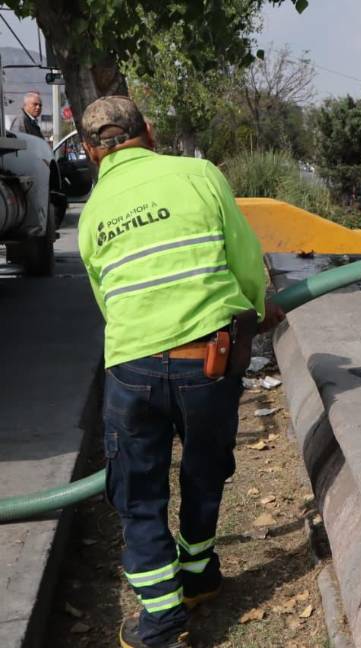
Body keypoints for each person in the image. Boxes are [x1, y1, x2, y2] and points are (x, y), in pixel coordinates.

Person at [77, 96, 285, 648]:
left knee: (138, 493)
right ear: (149, 131)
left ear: (89, 150)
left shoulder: (92, 211)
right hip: (206, 359)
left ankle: (162, 620)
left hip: (132, 368)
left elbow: (107, 299)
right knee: (203, 469)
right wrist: (258, 306)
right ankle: (198, 576)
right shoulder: (197, 174)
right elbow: (243, 257)